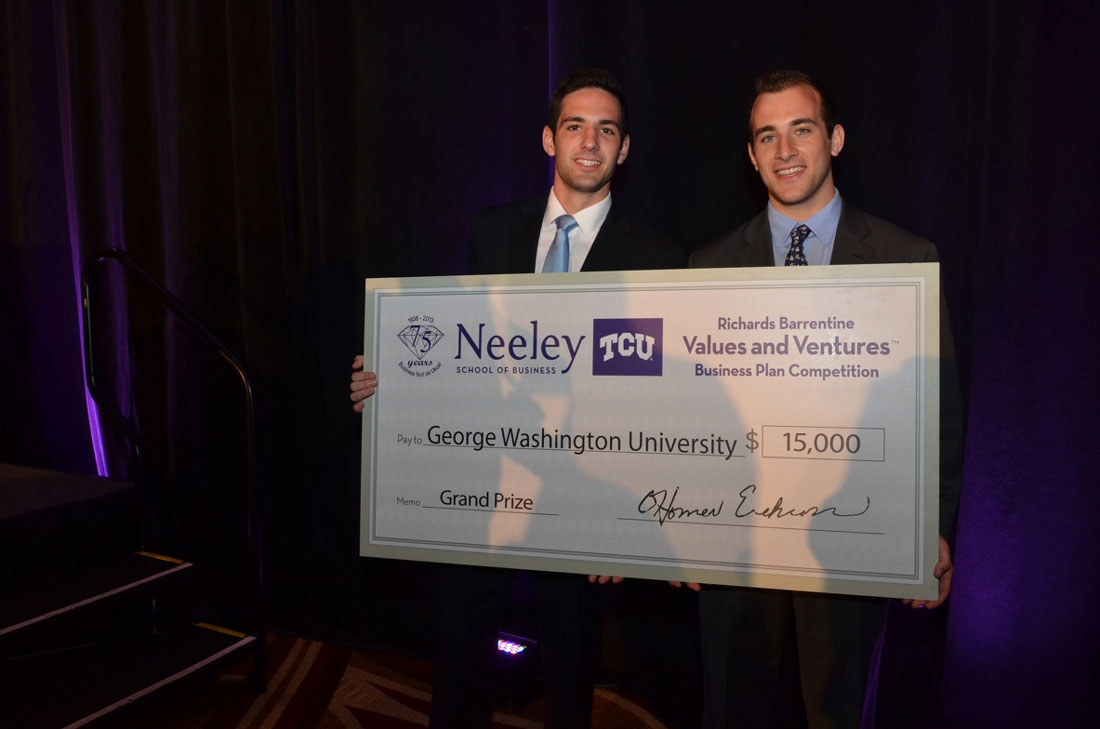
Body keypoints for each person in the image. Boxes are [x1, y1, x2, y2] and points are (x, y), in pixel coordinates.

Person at [351, 67, 683, 728]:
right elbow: (470, 353)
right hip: (485, 486)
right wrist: (394, 389)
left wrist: (626, 526)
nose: (589, 141)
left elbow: (654, 399)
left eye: (606, 129)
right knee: (459, 661)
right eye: (574, 126)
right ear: (547, 139)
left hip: (584, 498)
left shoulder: (658, 257)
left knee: (571, 672)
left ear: (624, 149)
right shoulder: (493, 230)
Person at [686, 70, 965, 729]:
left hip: (854, 535)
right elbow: (691, 411)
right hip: (737, 541)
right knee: (731, 709)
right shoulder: (707, 266)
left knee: (841, 714)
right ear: (752, 157)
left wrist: (934, 524)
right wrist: (683, 527)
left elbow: (938, 407)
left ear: (835, 139)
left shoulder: (905, 258)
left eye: (801, 130)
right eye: (767, 136)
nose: (785, 151)